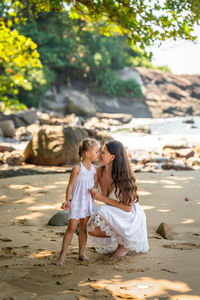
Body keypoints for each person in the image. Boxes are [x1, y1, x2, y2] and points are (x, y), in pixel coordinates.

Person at [87, 140, 149, 258]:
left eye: (103, 152)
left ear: (112, 157)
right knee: (91, 228)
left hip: (130, 217)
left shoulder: (124, 177)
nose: (100, 154)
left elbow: (128, 207)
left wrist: (101, 198)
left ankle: (124, 245)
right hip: (113, 213)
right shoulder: (98, 171)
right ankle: (122, 241)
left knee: (101, 210)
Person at [55, 138, 99, 265]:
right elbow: (70, 186)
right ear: (87, 154)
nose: (98, 154)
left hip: (87, 202)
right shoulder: (77, 168)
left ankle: (81, 253)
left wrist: (95, 191)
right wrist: (68, 200)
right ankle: (62, 255)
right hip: (77, 202)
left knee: (83, 227)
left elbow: (95, 185)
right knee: (72, 227)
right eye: (96, 151)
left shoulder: (94, 169)